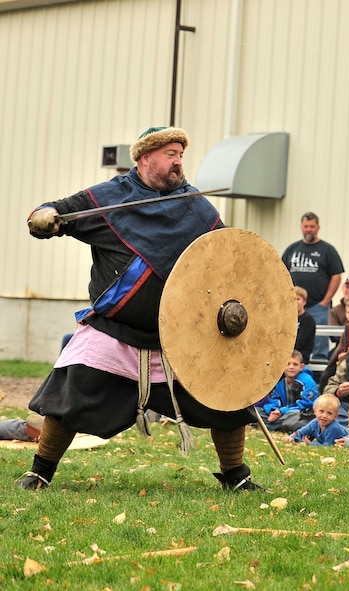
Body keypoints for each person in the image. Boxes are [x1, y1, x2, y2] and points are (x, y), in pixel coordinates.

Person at [19, 126, 263, 491]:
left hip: (180, 337)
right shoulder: (110, 199)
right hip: (114, 333)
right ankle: (40, 471)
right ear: (145, 157)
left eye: (181, 154)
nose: (178, 162)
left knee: (224, 398)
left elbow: (224, 257)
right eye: (170, 154)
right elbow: (58, 213)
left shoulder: (196, 208)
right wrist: (45, 216)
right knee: (68, 396)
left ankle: (236, 477)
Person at [282, 212, 345, 360]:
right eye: (306, 226)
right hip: (293, 306)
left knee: (319, 341)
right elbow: (280, 273)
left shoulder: (327, 250)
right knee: (290, 336)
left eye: (312, 226)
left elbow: (336, 276)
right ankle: (291, 363)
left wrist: (325, 301)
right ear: (301, 227)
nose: (309, 229)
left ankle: (317, 367)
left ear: (318, 227)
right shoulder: (292, 249)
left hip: (318, 306)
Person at [254, 350, 318, 432]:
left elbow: (306, 405)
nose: (291, 367)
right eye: (288, 364)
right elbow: (274, 399)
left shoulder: (307, 381)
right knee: (258, 412)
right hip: (281, 414)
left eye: (295, 364)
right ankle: (273, 425)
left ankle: (270, 425)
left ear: (301, 367)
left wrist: (282, 411)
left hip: (298, 413)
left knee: (292, 418)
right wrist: (273, 410)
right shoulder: (281, 383)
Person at [318, 299, 349, 391]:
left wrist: (346, 355)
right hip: (343, 358)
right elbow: (342, 345)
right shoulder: (347, 327)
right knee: (325, 376)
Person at [282, 394, 347, 446]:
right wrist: (292, 437)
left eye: (329, 413)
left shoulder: (334, 428)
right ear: (315, 411)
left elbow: (328, 446)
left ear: (335, 416)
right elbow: (302, 431)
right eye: (321, 411)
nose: (324, 416)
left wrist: (311, 444)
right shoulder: (315, 422)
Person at [292, 286, 316, 364]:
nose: (295, 302)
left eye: (298, 299)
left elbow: (300, 342)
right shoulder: (286, 319)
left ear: (304, 302)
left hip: (301, 356)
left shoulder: (308, 319)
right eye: (292, 299)